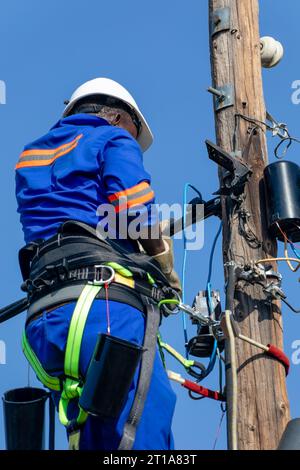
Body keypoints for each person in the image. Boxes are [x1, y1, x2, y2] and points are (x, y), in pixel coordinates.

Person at [15, 78, 181, 450]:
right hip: (103, 307)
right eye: (134, 135)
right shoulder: (112, 137)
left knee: (91, 435)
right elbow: (136, 213)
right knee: (143, 430)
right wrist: (162, 262)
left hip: (44, 318)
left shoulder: (31, 156)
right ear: (120, 117)